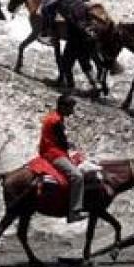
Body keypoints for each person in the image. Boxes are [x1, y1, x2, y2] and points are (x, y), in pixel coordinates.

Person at [39, 94, 87, 222]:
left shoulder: (53, 116)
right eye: (70, 108)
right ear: (62, 107)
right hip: (54, 154)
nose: (72, 112)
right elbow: (62, 142)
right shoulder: (56, 121)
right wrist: (69, 146)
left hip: (49, 150)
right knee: (77, 176)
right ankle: (74, 212)